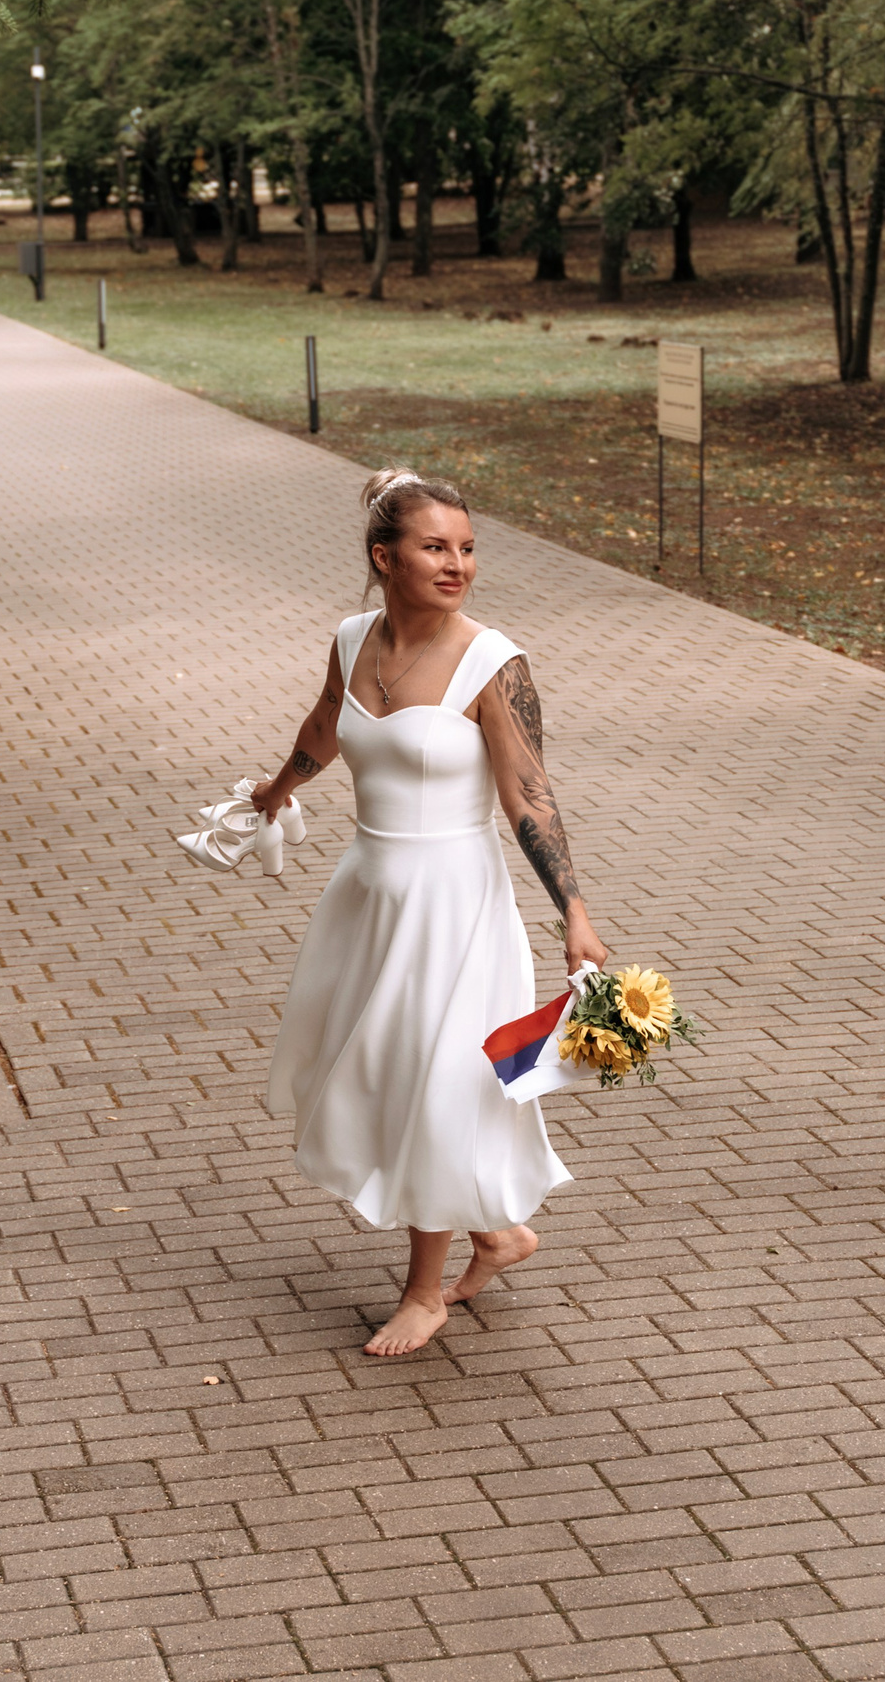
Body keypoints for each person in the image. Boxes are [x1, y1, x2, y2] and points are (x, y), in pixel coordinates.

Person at [250, 468, 608, 1357]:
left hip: (457, 907)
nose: (458, 564)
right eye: (436, 547)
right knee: (374, 1069)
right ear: (385, 558)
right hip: (369, 897)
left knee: (436, 1081)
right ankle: (495, 1234)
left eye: (468, 548)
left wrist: (574, 912)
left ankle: (425, 1293)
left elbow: (530, 796)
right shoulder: (351, 640)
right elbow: (328, 723)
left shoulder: (494, 661)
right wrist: (277, 786)